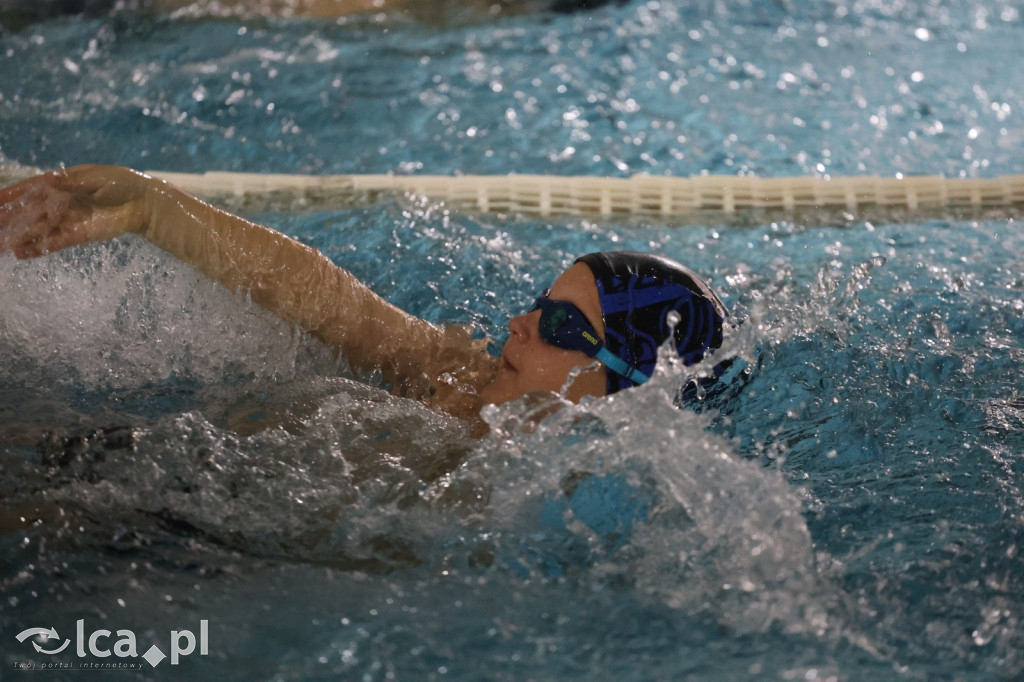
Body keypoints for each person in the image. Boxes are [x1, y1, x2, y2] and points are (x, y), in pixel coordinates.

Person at [0, 165, 726, 432]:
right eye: (539, 303)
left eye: (561, 324)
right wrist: (152, 209)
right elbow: (327, 300)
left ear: (631, 387)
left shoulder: (536, 506)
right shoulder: (467, 384)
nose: (520, 324)